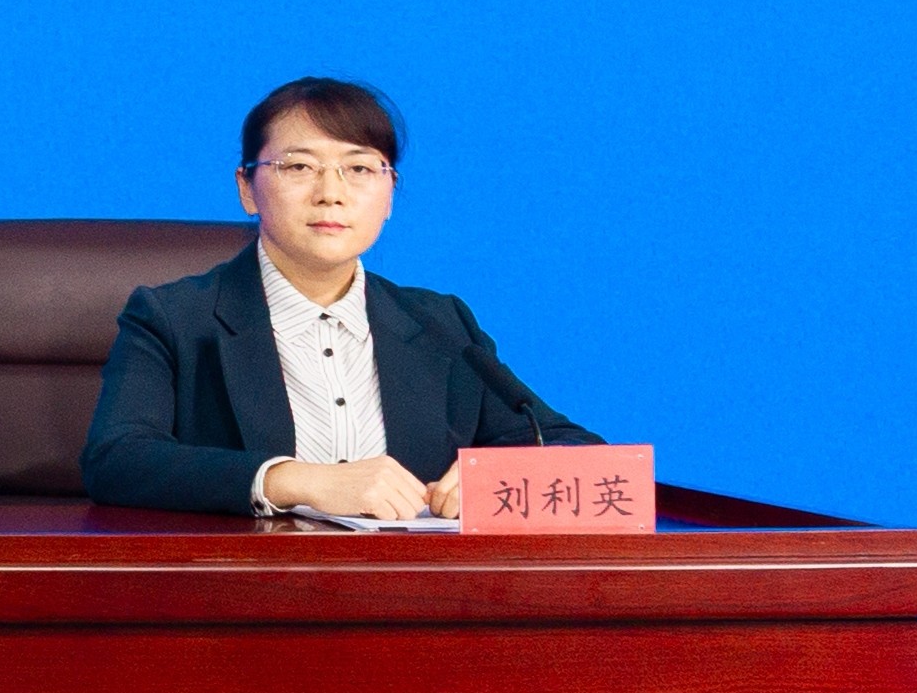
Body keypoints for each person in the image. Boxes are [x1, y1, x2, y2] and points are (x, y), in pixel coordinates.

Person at [80, 77, 590, 518]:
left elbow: (572, 448)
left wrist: (497, 478)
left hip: (413, 585)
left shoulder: (441, 324)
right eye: (299, 167)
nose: (331, 192)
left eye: (360, 169)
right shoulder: (174, 318)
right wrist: (296, 480)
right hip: (250, 584)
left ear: (390, 195)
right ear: (247, 188)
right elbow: (117, 459)